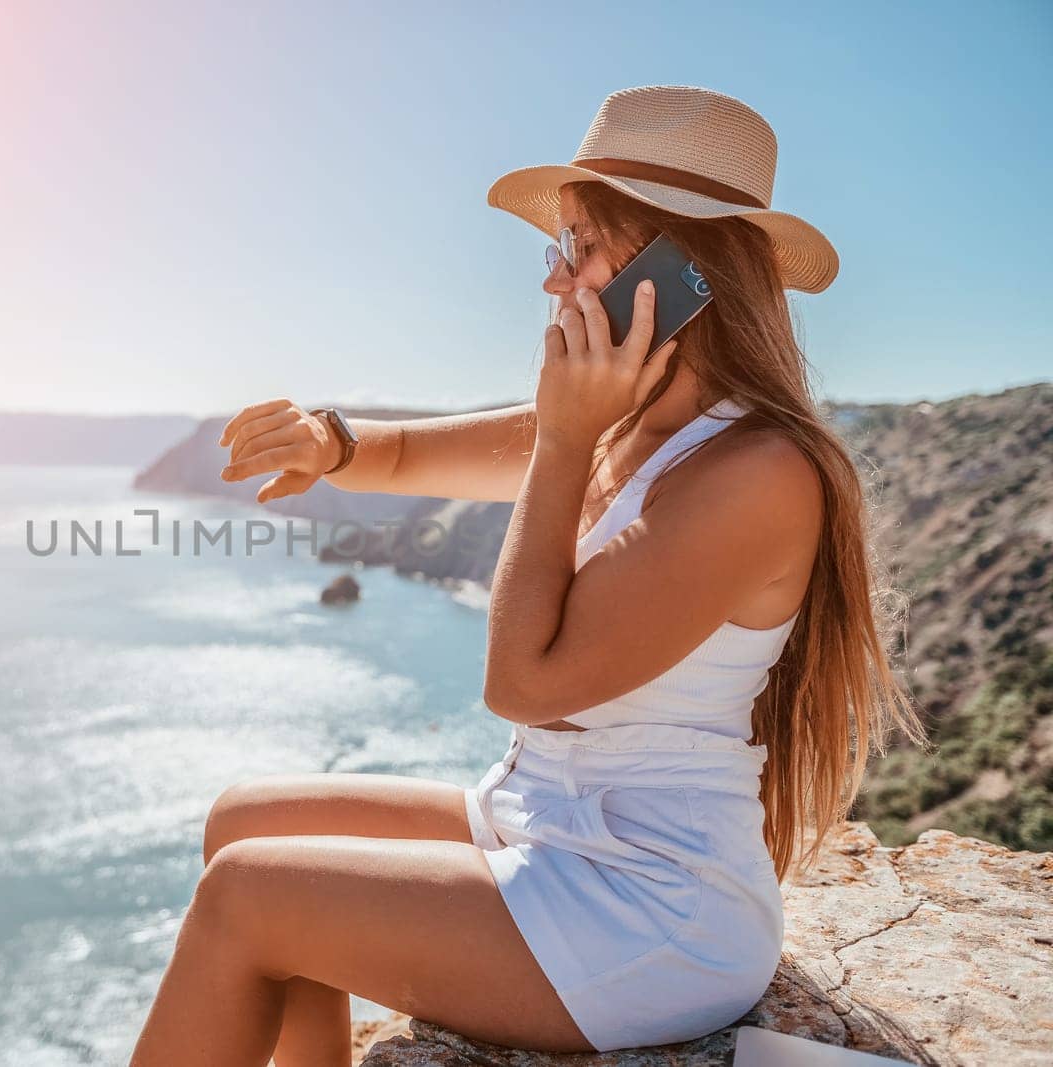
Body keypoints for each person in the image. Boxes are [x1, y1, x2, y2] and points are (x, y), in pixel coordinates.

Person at [128, 85, 925, 1065]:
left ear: (681, 274)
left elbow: (525, 683)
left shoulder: (755, 474)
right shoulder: (628, 426)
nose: (554, 283)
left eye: (579, 246)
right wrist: (327, 438)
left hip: (649, 911)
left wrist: (563, 439)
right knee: (239, 823)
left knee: (245, 897)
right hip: (541, 823)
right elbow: (408, 458)